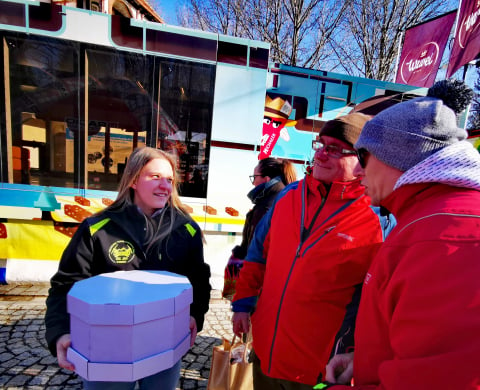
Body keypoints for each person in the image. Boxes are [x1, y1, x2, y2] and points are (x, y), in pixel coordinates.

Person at [323, 80, 480, 390]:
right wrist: (368, 361)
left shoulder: (443, 238)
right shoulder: (428, 220)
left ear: (398, 156)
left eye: (364, 157)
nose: (358, 172)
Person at [232, 112, 394, 389]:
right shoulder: (288, 196)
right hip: (265, 354)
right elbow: (258, 256)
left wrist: (356, 353)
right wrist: (243, 304)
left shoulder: (378, 218)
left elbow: (378, 301)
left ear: (363, 160)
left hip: (317, 370)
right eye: (320, 145)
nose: (320, 155)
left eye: (334, 149)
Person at [44, 147, 211, 390]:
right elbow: (66, 285)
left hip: (164, 345)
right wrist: (61, 332)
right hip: (106, 347)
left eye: (170, 180)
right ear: (133, 180)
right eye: (155, 177)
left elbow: (199, 280)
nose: (165, 185)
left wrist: (196, 314)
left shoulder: (186, 230)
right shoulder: (96, 229)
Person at [223, 158, 297, 300]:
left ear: (266, 179)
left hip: (262, 283)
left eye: (254, 177)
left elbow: (257, 249)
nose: (253, 182)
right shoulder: (282, 198)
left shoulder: (267, 205)